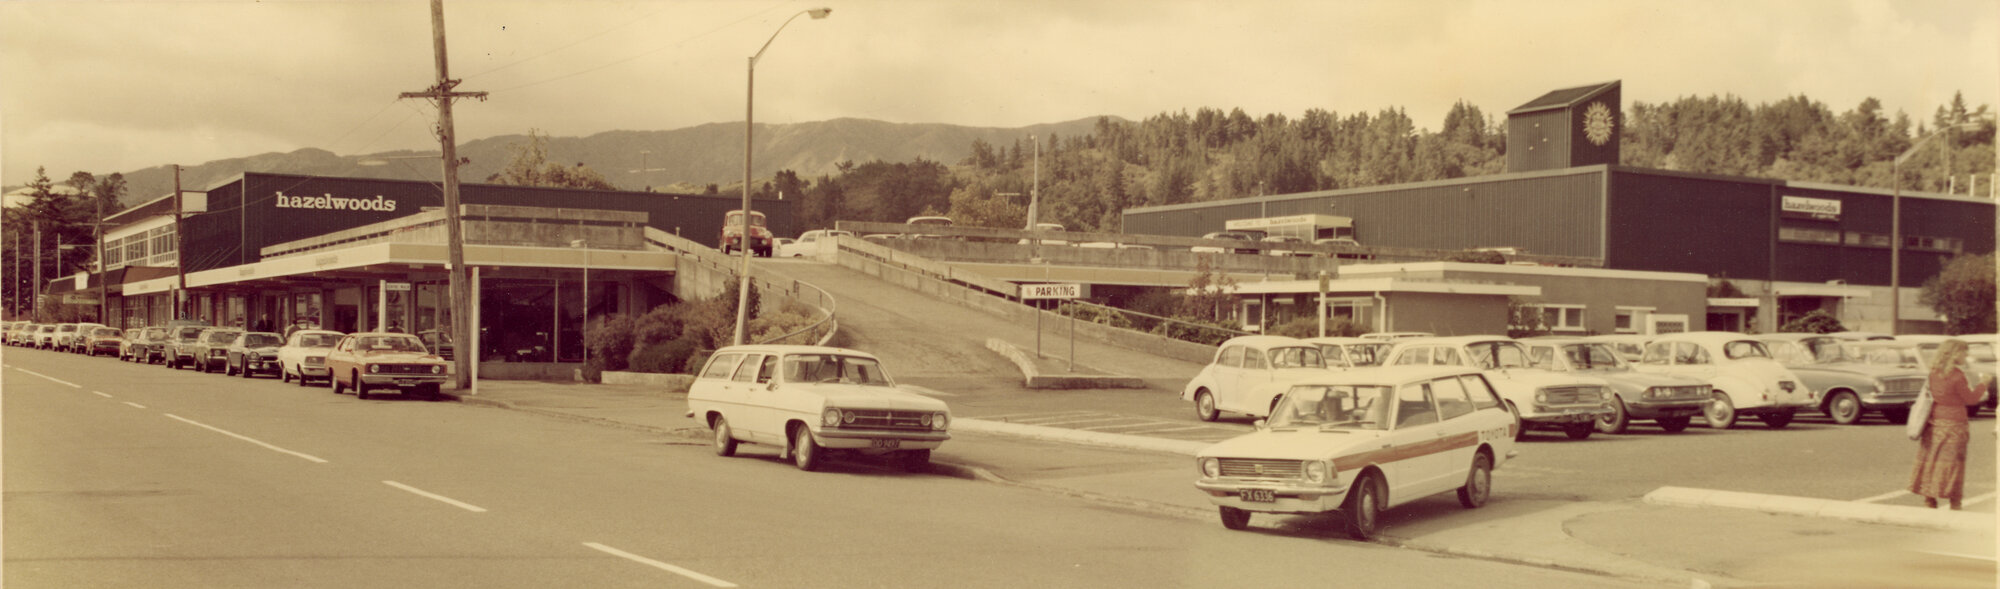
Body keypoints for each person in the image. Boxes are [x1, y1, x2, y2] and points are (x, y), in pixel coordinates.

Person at [1910, 339, 1989, 510]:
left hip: (1934, 424)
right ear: (1954, 354)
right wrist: (1984, 384)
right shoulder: (1957, 376)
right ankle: (1955, 503)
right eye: (1964, 352)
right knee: (1954, 465)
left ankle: (1929, 500)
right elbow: (1971, 399)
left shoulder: (1933, 373)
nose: (1966, 355)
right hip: (1955, 425)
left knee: (1932, 462)